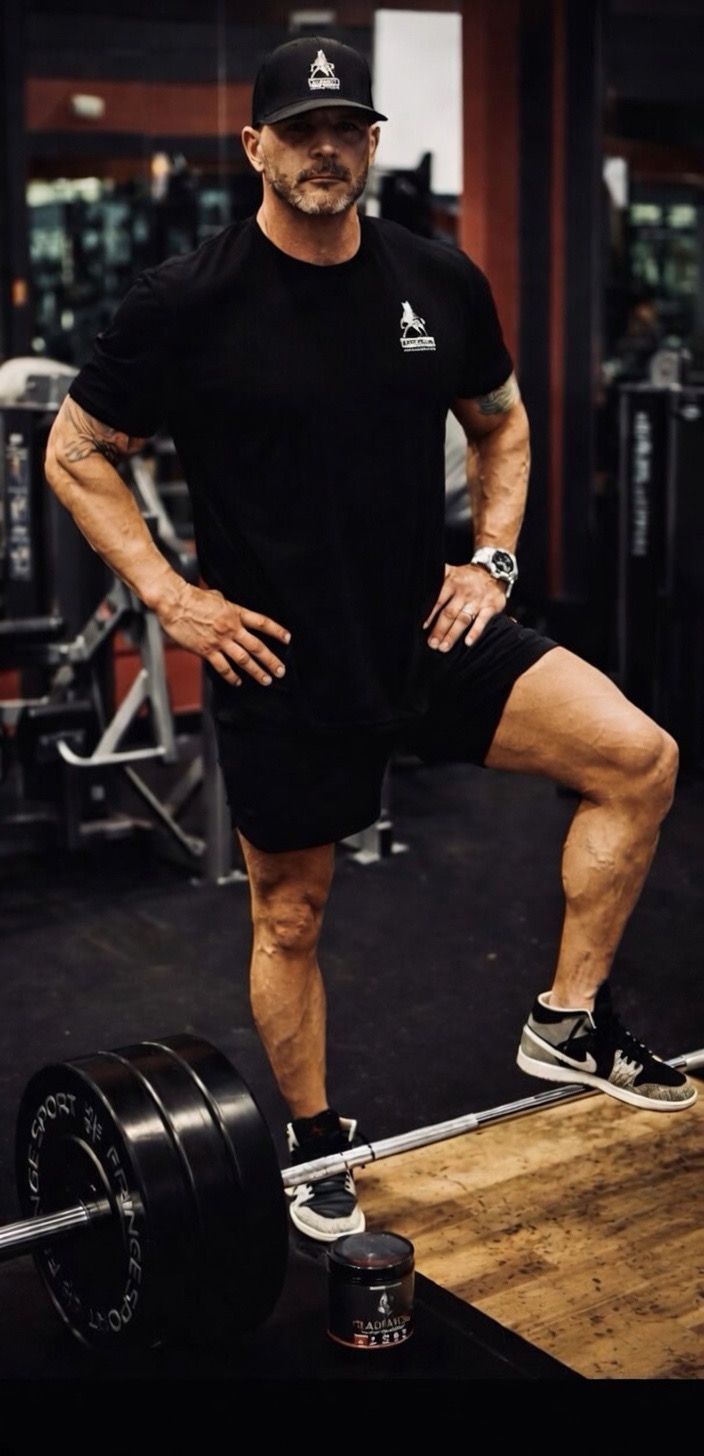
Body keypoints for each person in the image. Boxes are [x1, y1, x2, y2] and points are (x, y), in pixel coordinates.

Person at [43, 36, 696, 1245]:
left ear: (372, 143)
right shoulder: (185, 301)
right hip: (282, 656)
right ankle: (315, 1137)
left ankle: (566, 1018)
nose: (325, 149)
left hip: (428, 629)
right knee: (290, 916)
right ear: (256, 148)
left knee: (638, 758)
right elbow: (76, 452)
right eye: (300, 130)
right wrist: (172, 599)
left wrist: (492, 563)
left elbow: (500, 427)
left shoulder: (437, 281)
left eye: (346, 127)